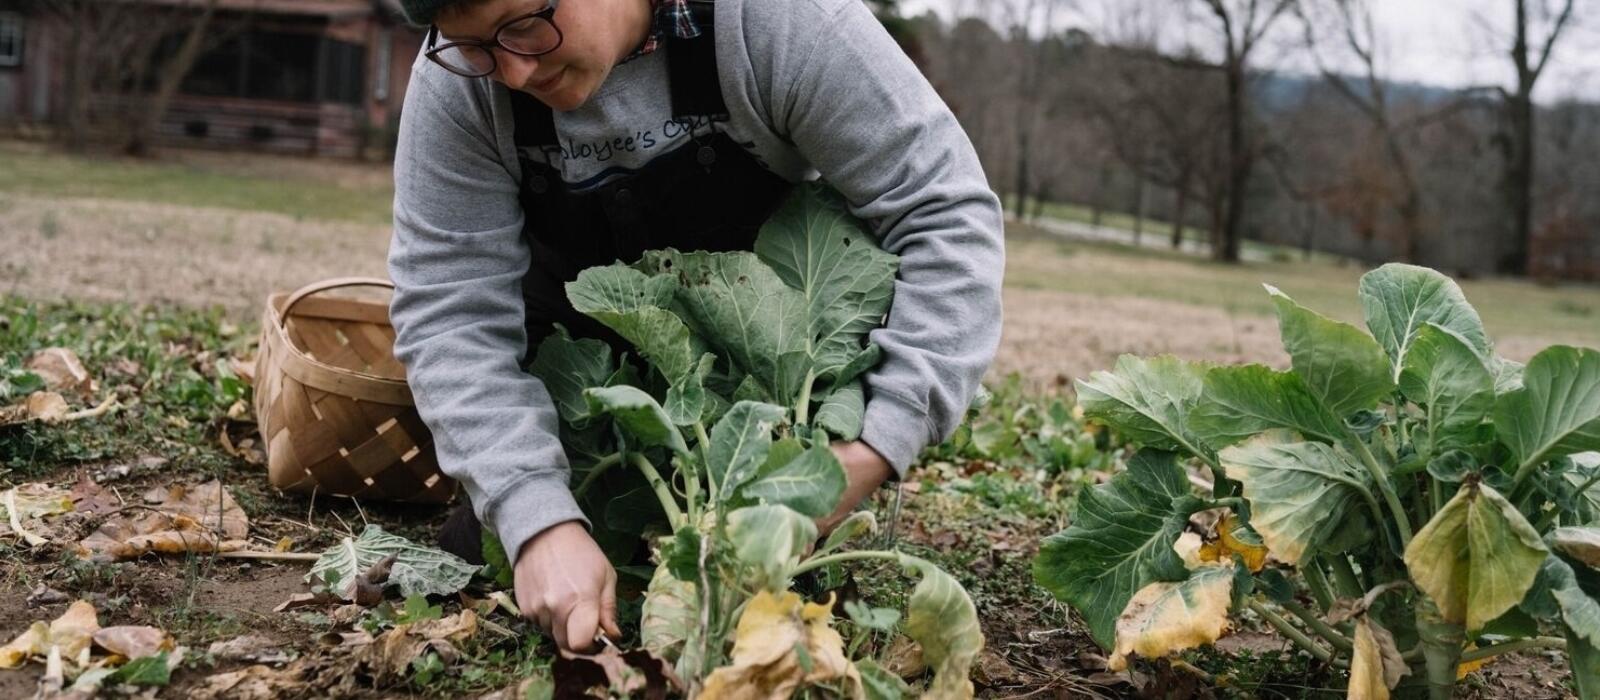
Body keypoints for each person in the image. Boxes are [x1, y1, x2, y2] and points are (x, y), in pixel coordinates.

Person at [386, 0, 1003, 654]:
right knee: (482, 553)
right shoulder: (460, 86)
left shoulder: (779, 22)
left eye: (523, 26)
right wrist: (536, 519)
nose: (511, 72)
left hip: (768, 399)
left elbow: (946, 218)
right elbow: (451, 310)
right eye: (476, 46)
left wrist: (873, 446)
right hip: (589, 403)